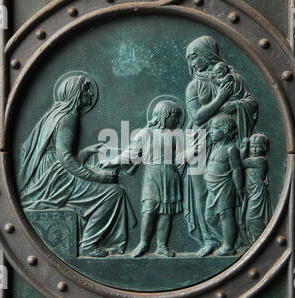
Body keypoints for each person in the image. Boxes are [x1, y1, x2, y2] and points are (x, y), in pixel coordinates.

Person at [18, 74, 136, 258]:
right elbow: (65, 159)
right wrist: (98, 177)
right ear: (77, 93)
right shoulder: (68, 118)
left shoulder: (56, 114)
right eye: (87, 89)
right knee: (113, 194)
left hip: (50, 173)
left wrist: (85, 152)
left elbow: (60, 154)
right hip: (55, 179)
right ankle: (88, 245)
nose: (90, 93)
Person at [184, 35, 258, 256]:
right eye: (189, 59)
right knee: (201, 192)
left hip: (224, 141)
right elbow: (197, 117)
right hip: (199, 143)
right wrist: (220, 100)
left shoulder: (233, 79)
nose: (192, 62)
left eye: (195, 56)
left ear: (207, 53)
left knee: (226, 194)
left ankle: (231, 239)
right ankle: (207, 239)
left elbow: (251, 102)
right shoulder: (194, 86)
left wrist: (233, 104)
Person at [100, 100, 184, 258]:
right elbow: (130, 154)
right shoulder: (146, 134)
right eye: (175, 117)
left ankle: (162, 246)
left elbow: (179, 159)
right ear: (165, 116)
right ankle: (143, 244)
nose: (177, 121)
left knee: (167, 212)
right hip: (153, 174)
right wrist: (111, 162)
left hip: (171, 175)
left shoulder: (174, 137)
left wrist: (193, 152)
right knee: (149, 210)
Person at [204, 115, 244, 256]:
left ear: (225, 130)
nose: (211, 132)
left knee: (226, 215)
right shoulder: (215, 147)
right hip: (212, 187)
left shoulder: (231, 149)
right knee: (209, 217)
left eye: (214, 129)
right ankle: (232, 238)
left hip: (225, 186)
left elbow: (236, 170)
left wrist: (239, 188)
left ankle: (228, 246)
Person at [241, 134, 272, 244]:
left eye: (257, 147)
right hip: (252, 194)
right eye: (252, 146)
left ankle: (259, 242)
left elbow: (241, 162)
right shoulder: (255, 159)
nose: (254, 150)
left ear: (264, 148)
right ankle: (255, 241)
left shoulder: (260, 161)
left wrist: (244, 147)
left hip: (258, 194)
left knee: (252, 218)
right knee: (248, 219)